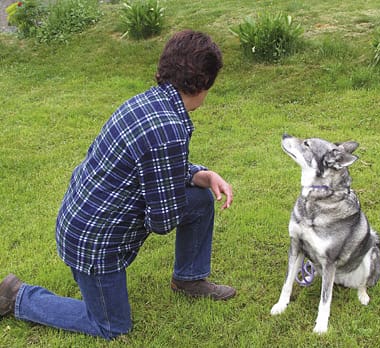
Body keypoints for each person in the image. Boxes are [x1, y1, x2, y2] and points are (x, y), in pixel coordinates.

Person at [0, 30, 235, 340]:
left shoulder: (145, 103)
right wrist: (167, 193)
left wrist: (199, 175)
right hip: (94, 245)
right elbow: (162, 220)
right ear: (204, 85)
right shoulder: (169, 127)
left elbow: (153, 164)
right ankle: (17, 296)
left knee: (201, 199)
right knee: (111, 325)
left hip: (79, 223)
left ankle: (189, 280)